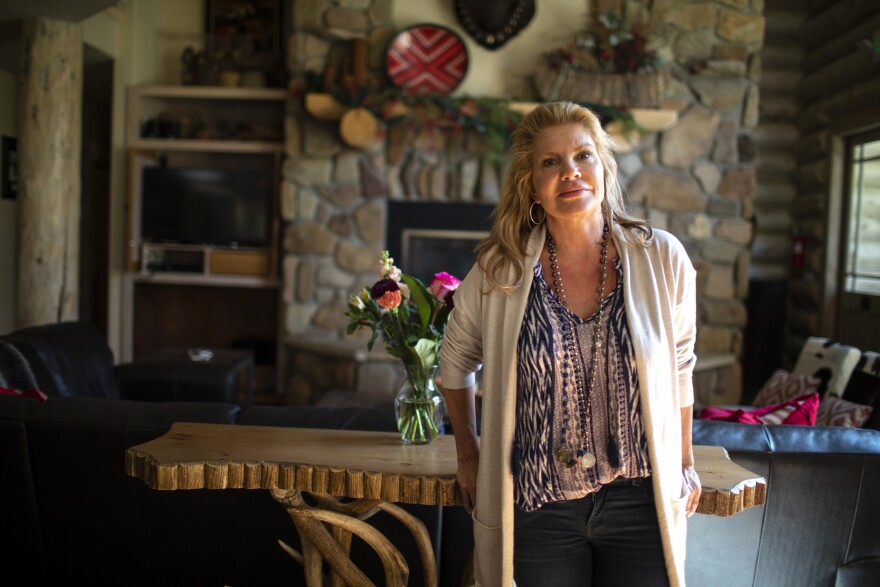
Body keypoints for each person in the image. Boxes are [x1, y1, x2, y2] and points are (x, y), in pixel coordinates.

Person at [439, 101, 701, 587]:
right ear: (532, 186)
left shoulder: (662, 258)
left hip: (641, 501)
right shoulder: (502, 270)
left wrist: (684, 460)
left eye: (583, 156)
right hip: (539, 507)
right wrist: (469, 457)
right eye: (551, 162)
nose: (570, 172)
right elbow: (453, 361)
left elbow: (680, 364)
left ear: (603, 168)